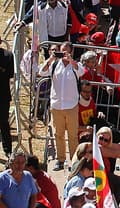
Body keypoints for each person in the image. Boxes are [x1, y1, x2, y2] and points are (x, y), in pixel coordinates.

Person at [40, 42, 80, 170]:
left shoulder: (75, 66)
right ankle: (60, 159)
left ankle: (74, 160)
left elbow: (82, 71)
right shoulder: (54, 65)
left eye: (66, 51)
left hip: (71, 106)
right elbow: (42, 72)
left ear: (71, 52)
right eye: (61, 51)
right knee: (58, 134)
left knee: (73, 135)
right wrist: (51, 58)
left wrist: (71, 60)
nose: (63, 54)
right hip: (57, 105)